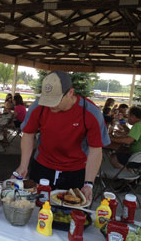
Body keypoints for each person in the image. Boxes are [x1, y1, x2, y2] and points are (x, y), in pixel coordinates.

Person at [13, 71, 110, 203]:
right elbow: (28, 134)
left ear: (70, 92)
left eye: (55, 100)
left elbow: (95, 150)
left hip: (75, 170)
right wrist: (23, 166)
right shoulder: (39, 107)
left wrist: (88, 183)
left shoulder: (90, 112)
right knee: (36, 207)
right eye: (47, 99)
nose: (50, 105)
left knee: (70, 213)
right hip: (42, 166)